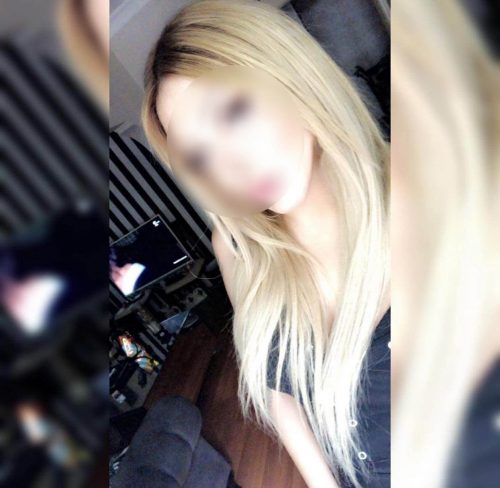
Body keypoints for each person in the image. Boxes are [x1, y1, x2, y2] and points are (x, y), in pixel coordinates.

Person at [141, 1, 390, 487]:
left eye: (233, 111)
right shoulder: (237, 250)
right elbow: (282, 394)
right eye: (200, 157)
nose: (230, 165)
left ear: (289, 73)